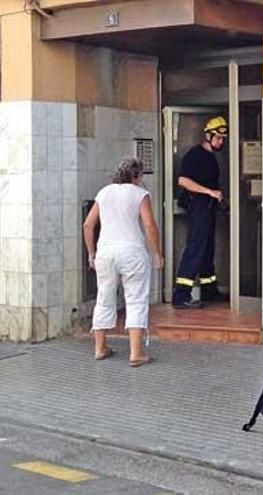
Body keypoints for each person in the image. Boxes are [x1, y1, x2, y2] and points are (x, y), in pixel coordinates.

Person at [83, 158, 164, 367]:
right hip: (132, 252)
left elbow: (88, 224)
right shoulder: (139, 194)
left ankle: (100, 348)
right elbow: (149, 225)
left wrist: (91, 253)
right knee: (136, 299)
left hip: (106, 253)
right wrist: (157, 253)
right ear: (136, 176)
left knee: (104, 298)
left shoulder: (104, 192)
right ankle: (136, 353)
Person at [171, 116, 227, 309]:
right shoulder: (195, 155)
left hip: (209, 209)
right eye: (218, 138)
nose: (221, 142)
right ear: (208, 135)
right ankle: (181, 295)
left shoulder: (211, 157)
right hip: (198, 209)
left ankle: (209, 290)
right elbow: (183, 181)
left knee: (207, 249)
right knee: (195, 248)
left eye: (222, 139)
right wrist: (209, 192)